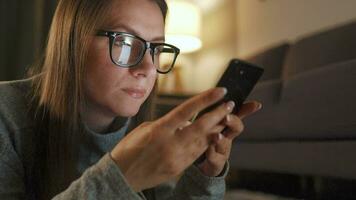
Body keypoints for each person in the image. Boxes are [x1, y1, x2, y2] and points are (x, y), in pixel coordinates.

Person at [0, 0, 262, 199]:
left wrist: (205, 174)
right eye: (125, 42)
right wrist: (123, 174)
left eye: (156, 48)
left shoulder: (145, 129)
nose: (148, 67)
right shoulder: (5, 112)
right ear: (72, 43)